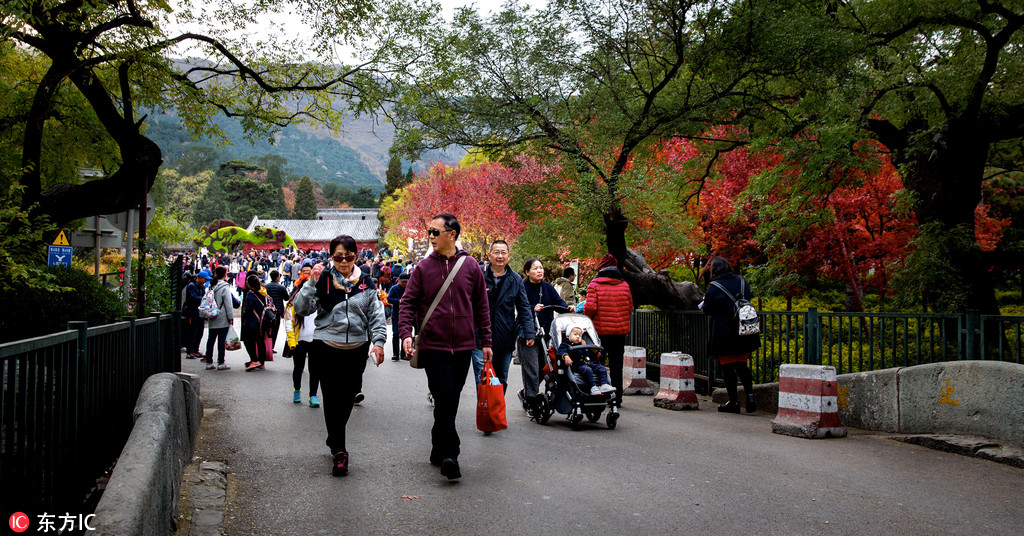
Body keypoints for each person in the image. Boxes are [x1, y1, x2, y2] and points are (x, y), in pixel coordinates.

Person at [399, 213, 492, 481]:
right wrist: (406, 333)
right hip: (434, 346)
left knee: (448, 400)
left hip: (464, 346)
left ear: (452, 234)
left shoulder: (471, 266)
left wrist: (486, 341)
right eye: (429, 232)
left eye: (435, 232)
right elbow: (407, 303)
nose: (430, 236)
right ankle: (451, 455)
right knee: (445, 397)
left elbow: (481, 307)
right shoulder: (423, 268)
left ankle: (438, 445)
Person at [293, 235, 387, 477]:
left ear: (356, 256)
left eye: (348, 256)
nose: (343, 261)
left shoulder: (366, 282)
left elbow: (376, 314)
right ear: (331, 256)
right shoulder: (323, 279)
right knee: (332, 398)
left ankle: (334, 436)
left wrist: (378, 342)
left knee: (348, 397)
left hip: (356, 348)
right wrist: (310, 283)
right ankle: (339, 451)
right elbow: (302, 309)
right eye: (338, 256)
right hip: (325, 346)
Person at [700, 256, 760, 414]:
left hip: (724, 331)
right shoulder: (742, 281)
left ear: (715, 270)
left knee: (727, 367)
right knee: (742, 365)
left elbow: (707, 308)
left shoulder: (714, 287)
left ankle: (733, 402)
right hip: (744, 329)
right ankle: (750, 396)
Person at [472, 240, 535, 391]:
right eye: (496, 252)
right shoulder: (478, 274)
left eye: (503, 253)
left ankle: (496, 412)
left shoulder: (515, 279)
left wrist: (529, 332)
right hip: (479, 337)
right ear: (489, 255)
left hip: (504, 336)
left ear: (508, 256)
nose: (500, 256)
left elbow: (524, 307)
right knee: (483, 379)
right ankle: (485, 412)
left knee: (501, 379)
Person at [517, 258, 567, 416]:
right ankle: (530, 401)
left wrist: (569, 307)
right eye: (535, 268)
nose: (539, 271)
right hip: (527, 333)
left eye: (541, 268)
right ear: (527, 272)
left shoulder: (547, 287)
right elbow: (517, 305)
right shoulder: (522, 287)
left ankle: (527, 393)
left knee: (546, 368)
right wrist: (532, 308)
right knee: (531, 368)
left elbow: (559, 303)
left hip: (546, 333)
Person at [584, 254, 633, 403]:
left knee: (597, 362)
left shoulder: (595, 285)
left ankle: (599, 393)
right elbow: (630, 307)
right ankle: (617, 397)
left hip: (600, 332)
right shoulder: (625, 285)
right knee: (617, 365)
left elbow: (590, 308)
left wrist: (586, 313)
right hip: (619, 332)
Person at [285, 262, 320, 407]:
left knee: (315, 370)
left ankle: (313, 395)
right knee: (298, 368)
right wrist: (291, 342)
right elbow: (288, 323)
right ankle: (297, 390)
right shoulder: (293, 303)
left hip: (315, 339)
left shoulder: (318, 300)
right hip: (299, 340)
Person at [558, 326, 615, 396]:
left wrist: (594, 350)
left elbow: (589, 354)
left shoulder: (583, 344)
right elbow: (560, 351)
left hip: (589, 363)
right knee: (587, 370)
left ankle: (604, 385)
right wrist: (566, 356)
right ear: (567, 336)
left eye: (580, 335)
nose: (578, 337)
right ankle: (593, 387)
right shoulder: (566, 344)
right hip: (577, 365)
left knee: (602, 369)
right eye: (575, 335)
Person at [204, 266, 235, 370]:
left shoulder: (211, 285)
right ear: (225, 274)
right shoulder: (225, 286)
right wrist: (230, 317)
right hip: (222, 317)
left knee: (211, 340)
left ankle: (209, 362)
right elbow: (228, 304)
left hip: (212, 315)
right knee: (221, 340)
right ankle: (221, 362)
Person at [241, 274, 273, 371]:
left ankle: (254, 360)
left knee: (248, 341)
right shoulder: (263, 292)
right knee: (260, 341)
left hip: (253, 321)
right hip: (263, 321)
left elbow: (249, 308)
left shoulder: (251, 293)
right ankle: (261, 362)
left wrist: (245, 314)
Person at [182, 270, 207, 359]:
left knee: (200, 331)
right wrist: (204, 298)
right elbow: (194, 298)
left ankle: (196, 349)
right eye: (205, 279)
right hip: (193, 312)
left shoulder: (201, 287)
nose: (205, 281)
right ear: (199, 278)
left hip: (200, 313)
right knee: (192, 331)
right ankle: (190, 351)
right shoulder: (191, 286)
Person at [264, 269, 289, 353]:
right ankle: (271, 347)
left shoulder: (266, 286)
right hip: (277, 311)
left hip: (268, 311)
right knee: (275, 330)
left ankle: (266, 346)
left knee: (267, 329)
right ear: (278, 277)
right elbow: (287, 298)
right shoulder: (281, 287)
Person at [387, 272, 410, 361]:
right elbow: (389, 299)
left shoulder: (409, 288)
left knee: (405, 334)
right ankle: (395, 353)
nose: (404, 283)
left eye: (406, 282)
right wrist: (398, 301)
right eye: (403, 282)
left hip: (407, 314)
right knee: (396, 333)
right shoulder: (394, 288)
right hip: (396, 313)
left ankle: (403, 353)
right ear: (399, 281)